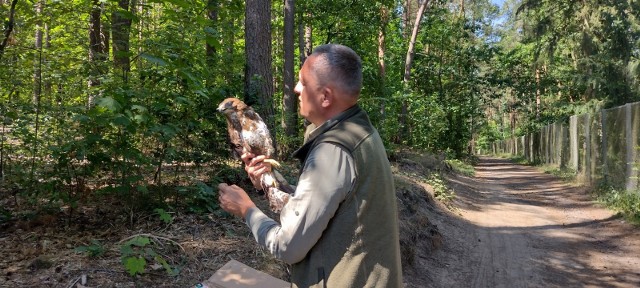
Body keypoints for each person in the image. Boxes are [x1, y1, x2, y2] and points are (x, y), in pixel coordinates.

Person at [218, 44, 402, 288]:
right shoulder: (360, 131)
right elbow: (329, 203)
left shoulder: (332, 151)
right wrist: (270, 182)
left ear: (325, 96)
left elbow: (288, 247)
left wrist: (246, 209)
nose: (295, 89)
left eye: (303, 83)